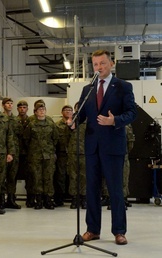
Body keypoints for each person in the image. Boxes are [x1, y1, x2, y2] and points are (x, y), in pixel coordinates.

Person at [76, 49, 136, 245]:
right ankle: (92, 230)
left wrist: (115, 121)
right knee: (91, 189)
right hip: (92, 146)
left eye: (102, 63)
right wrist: (73, 121)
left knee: (115, 190)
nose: (99, 67)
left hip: (113, 147)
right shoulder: (88, 89)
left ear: (111, 64)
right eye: (95, 64)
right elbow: (82, 115)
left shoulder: (123, 86)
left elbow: (131, 113)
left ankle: (119, 231)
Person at [23, 102, 58, 210]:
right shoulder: (32, 124)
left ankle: (48, 199)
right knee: (36, 178)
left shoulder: (51, 123)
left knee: (48, 177)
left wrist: (50, 150)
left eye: (43, 109)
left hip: (49, 155)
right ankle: (38, 200)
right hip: (35, 155)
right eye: (39, 110)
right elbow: (26, 139)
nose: (42, 111)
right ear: (35, 112)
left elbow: (55, 138)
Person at [2, 97, 22, 209]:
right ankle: (0, 199)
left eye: (11, 103)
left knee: (12, 177)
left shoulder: (16, 119)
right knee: (1, 176)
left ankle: (11, 198)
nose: (9, 105)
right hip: (2, 150)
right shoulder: (0, 117)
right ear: (3, 105)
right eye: (7, 103)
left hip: (14, 151)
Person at [67, 102, 87, 209]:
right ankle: (74, 199)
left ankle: (84, 198)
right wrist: (69, 125)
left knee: (84, 177)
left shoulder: (89, 120)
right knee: (73, 176)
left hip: (85, 152)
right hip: (73, 153)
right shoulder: (71, 120)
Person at [54, 105, 73, 207]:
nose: (68, 112)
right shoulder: (57, 125)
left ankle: (73, 197)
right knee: (60, 177)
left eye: (70, 110)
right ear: (62, 112)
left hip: (73, 154)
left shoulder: (76, 124)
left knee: (74, 176)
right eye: (66, 110)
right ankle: (59, 198)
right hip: (61, 154)